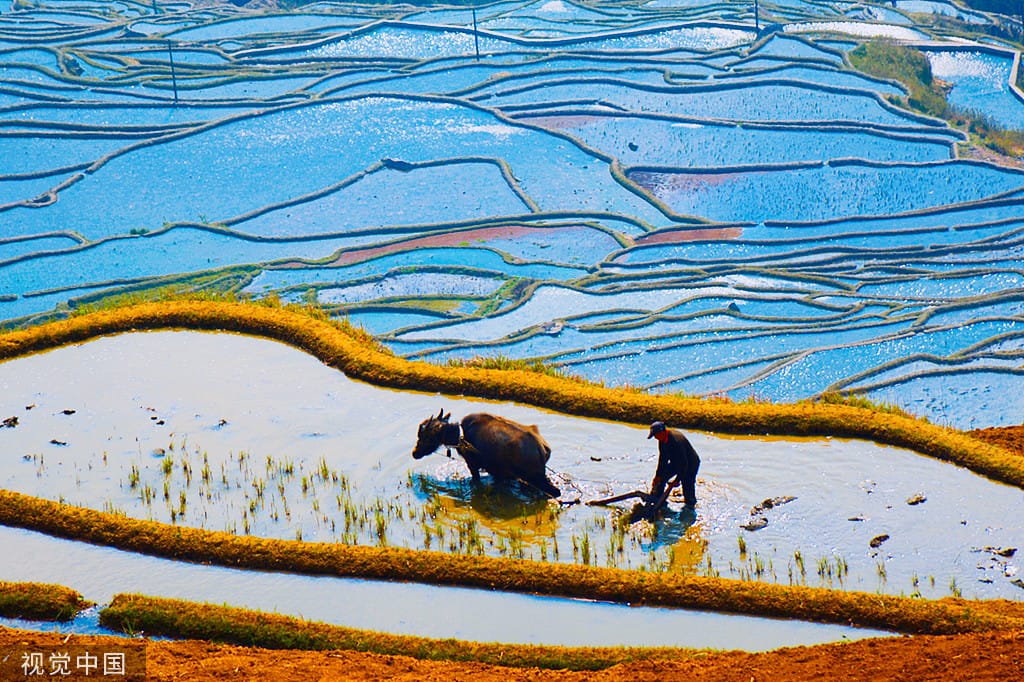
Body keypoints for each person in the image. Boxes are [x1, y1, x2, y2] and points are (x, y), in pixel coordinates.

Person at [647, 421, 701, 507]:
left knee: (687, 485)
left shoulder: (676, 441)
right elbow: (663, 460)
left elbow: (684, 464)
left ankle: (690, 505)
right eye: (655, 436)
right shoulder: (661, 440)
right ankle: (657, 498)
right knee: (661, 479)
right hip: (675, 462)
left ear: (663, 432)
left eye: (657, 435)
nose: (656, 438)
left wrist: (677, 480)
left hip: (690, 463)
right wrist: (658, 476)